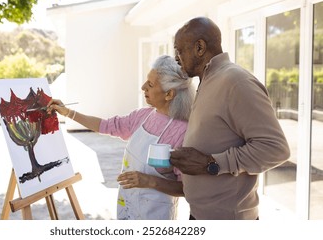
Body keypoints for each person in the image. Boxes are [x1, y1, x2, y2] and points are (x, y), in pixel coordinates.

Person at [170, 17, 291, 220]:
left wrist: (210, 164)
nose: (176, 58)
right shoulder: (208, 81)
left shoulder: (235, 81)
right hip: (200, 215)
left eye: (179, 50)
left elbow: (275, 149)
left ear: (199, 48)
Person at [47, 55, 194, 220]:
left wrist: (150, 181)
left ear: (169, 94)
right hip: (127, 208)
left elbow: (188, 189)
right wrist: (68, 113)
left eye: (151, 85)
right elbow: (105, 125)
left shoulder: (183, 133)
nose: (143, 87)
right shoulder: (142, 116)